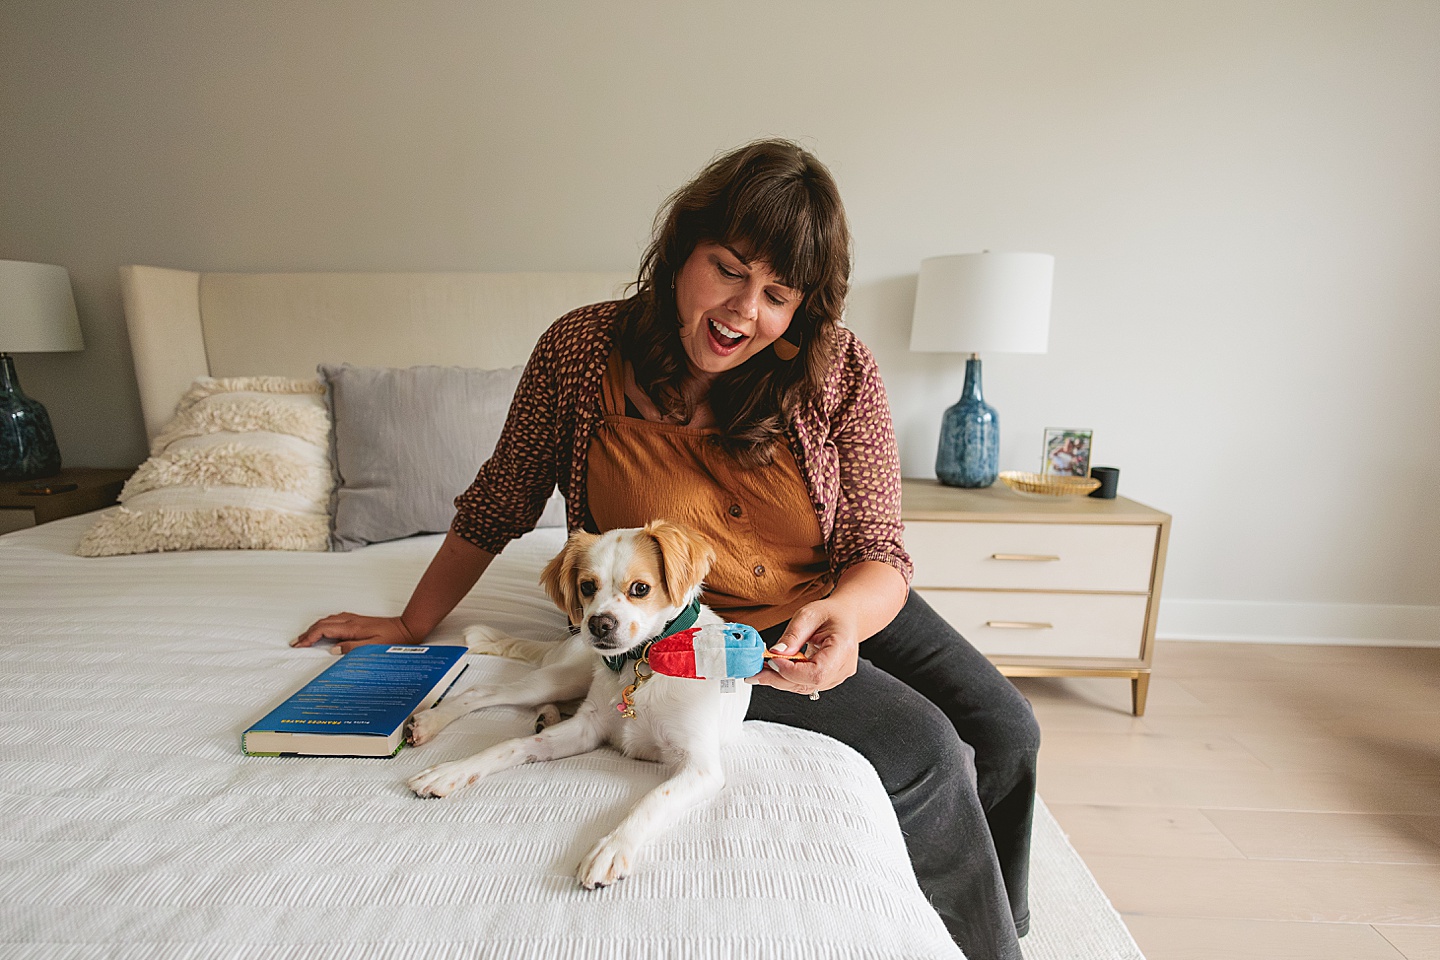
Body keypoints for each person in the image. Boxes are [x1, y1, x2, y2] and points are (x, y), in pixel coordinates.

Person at [296, 139, 1040, 960]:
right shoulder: (580, 354)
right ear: (681, 248)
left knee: (1008, 729)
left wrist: (846, 620)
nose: (743, 311)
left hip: (835, 593)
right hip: (710, 634)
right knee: (928, 750)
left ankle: (996, 924)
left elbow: (878, 549)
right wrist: (412, 621)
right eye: (727, 268)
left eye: (777, 295)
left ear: (802, 310)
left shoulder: (840, 370)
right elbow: (501, 499)